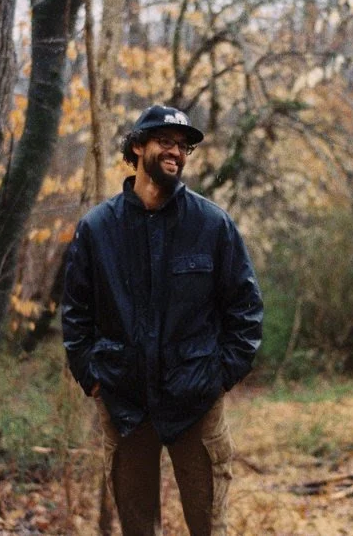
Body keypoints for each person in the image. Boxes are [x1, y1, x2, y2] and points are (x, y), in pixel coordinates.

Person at [62, 104, 263, 536]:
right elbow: (76, 313)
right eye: (165, 142)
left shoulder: (211, 224)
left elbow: (245, 310)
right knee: (138, 528)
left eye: (183, 146)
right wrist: (92, 376)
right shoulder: (98, 229)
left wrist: (219, 376)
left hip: (196, 400)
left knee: (209, 525)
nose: (176, 152)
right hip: (126, 403)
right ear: (137, 147)